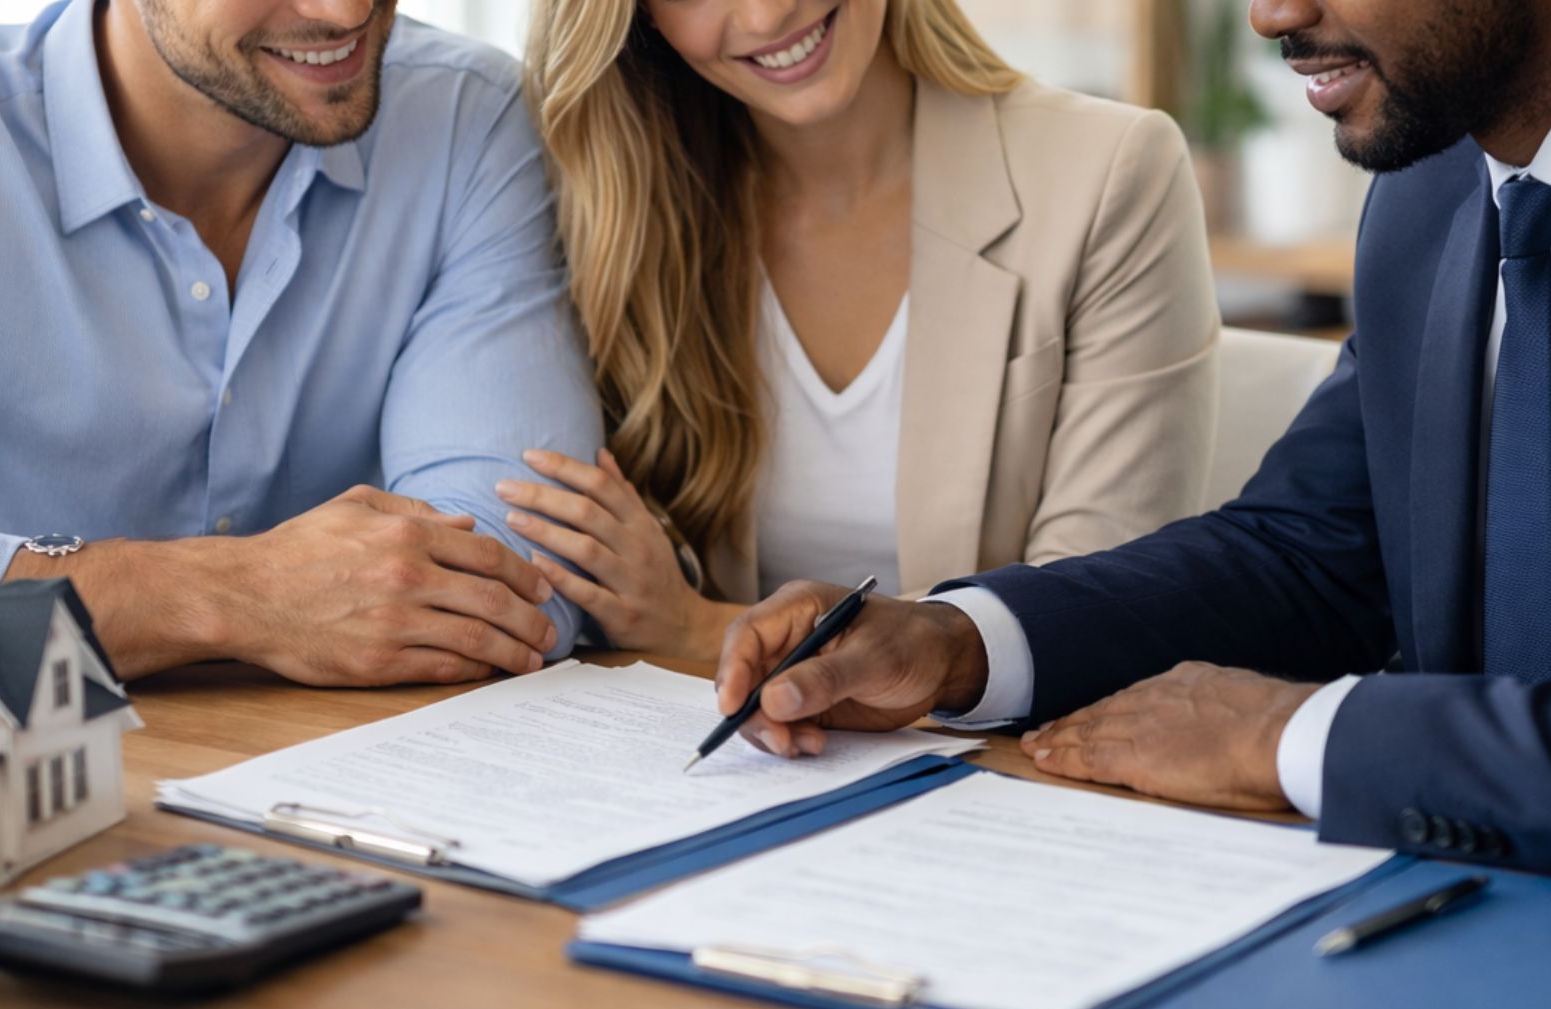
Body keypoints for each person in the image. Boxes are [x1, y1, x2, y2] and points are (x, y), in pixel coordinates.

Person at [716, 0, 1551, 891]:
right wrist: (957, 642)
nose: (1270, 17)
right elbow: (1308, 555)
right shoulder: (1434, 192)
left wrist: (1295, 737)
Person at [0, 0, 602, 686]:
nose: (343, 13)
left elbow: (523, 570)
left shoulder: (470, 120)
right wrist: (226, 598)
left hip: (354, 800)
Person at [495, 0, 1219, 660]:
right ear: (641, 16)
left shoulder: (1112, 173)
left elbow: (1094, 617)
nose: (767, 13)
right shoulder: (618, 212)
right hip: (729, 759)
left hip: (1008, 770)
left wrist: (699, 627)